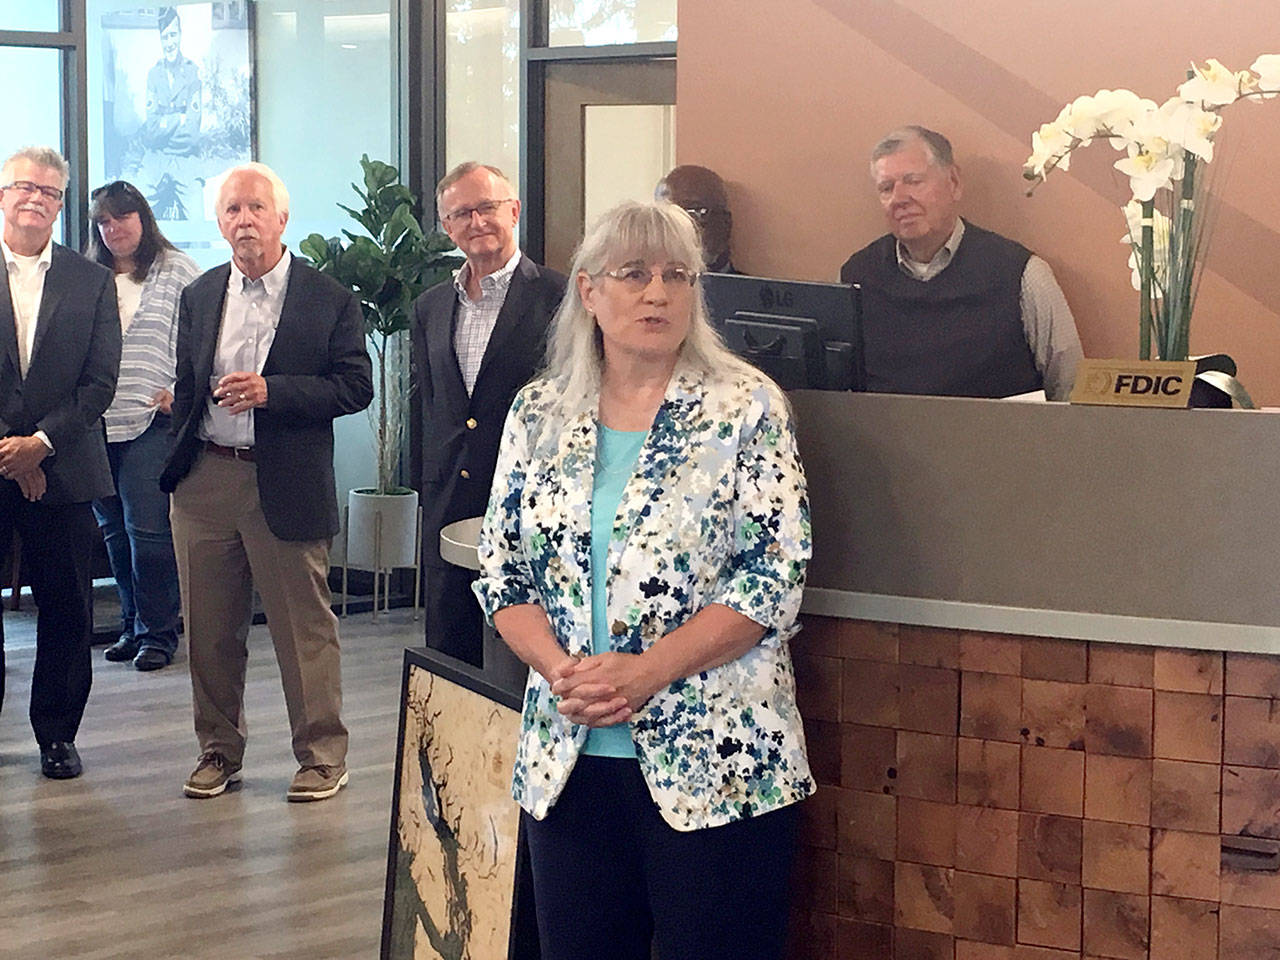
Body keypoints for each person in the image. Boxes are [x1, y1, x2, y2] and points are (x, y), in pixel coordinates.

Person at [473, 200, 813, 960]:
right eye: (634, 275)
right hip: (568, 756)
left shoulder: (746, 406)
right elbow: (503, 573)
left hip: (721, 761)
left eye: (676, 275)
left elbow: (772, 577)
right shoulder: (539, 412)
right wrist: (566, 673)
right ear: (589, 292)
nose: (657, 293)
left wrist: (645, 674)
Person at [159, 162, 372, 801]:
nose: (244, 220)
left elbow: (355, 386)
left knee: (302, 630)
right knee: (209, 631)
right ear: (219, 224)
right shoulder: (198, 296)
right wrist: (179, 400)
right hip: (204, 479)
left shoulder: (328, 296)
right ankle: (218, 752)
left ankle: (321, 757)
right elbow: (192, 375)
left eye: (255, 208)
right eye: (231, 211)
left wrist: (271, 392)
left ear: (282, 218)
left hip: (285, 483)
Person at [410, 161, 565, 667]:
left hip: (535, 499)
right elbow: (432, 407)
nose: (476, 221)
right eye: (461, 213)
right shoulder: (430, 307)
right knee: (450, 650)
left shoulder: (562, 298)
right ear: (446, 227)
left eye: (487, 208)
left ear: (514, 211)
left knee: (526, 652)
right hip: (450, 498)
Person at [0, 146, 121, 780]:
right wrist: (12, 454)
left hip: (67, 470)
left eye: (48, 192)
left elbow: (101, 382)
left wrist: (40, 445)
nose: (35, 199)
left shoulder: (90, 279)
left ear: (59, 204)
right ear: (1, 194)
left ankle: (56, 734)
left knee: (68, 608)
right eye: (23, 187)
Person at [840, 125, 1083, 399]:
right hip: (887, 439)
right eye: (887, 188)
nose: (899, 198)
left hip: (1000, 439)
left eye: (913, 181)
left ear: (954, 182)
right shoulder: (858, 278)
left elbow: (1069, 389)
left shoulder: (1020, 274)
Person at [86, 180, 199, 672]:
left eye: (122, 218)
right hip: (92, 423)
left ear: (143, 218)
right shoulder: (89, 276)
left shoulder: (177, 271)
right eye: (104, 222)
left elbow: (203, 335)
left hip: (152, 419)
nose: (113, 229)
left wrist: (184, 390)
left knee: (148, 531)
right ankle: (131, 627)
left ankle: (159, 632)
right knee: (113, 531)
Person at [655, 164, 739, 273]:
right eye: (666, 216)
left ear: (726, 223)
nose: (676, 228)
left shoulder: (755, 290)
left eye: (692, 212)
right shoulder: (635, 286)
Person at [141, 7, 201, 158]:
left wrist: (164, 125)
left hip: (186, 160)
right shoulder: (154, 75)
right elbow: (152, 131)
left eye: (173, 35)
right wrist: (180, 119)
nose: (169, 43)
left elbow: (192, 135)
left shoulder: (192, 73)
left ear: (180, 35)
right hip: (158, 161)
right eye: (164, 37)